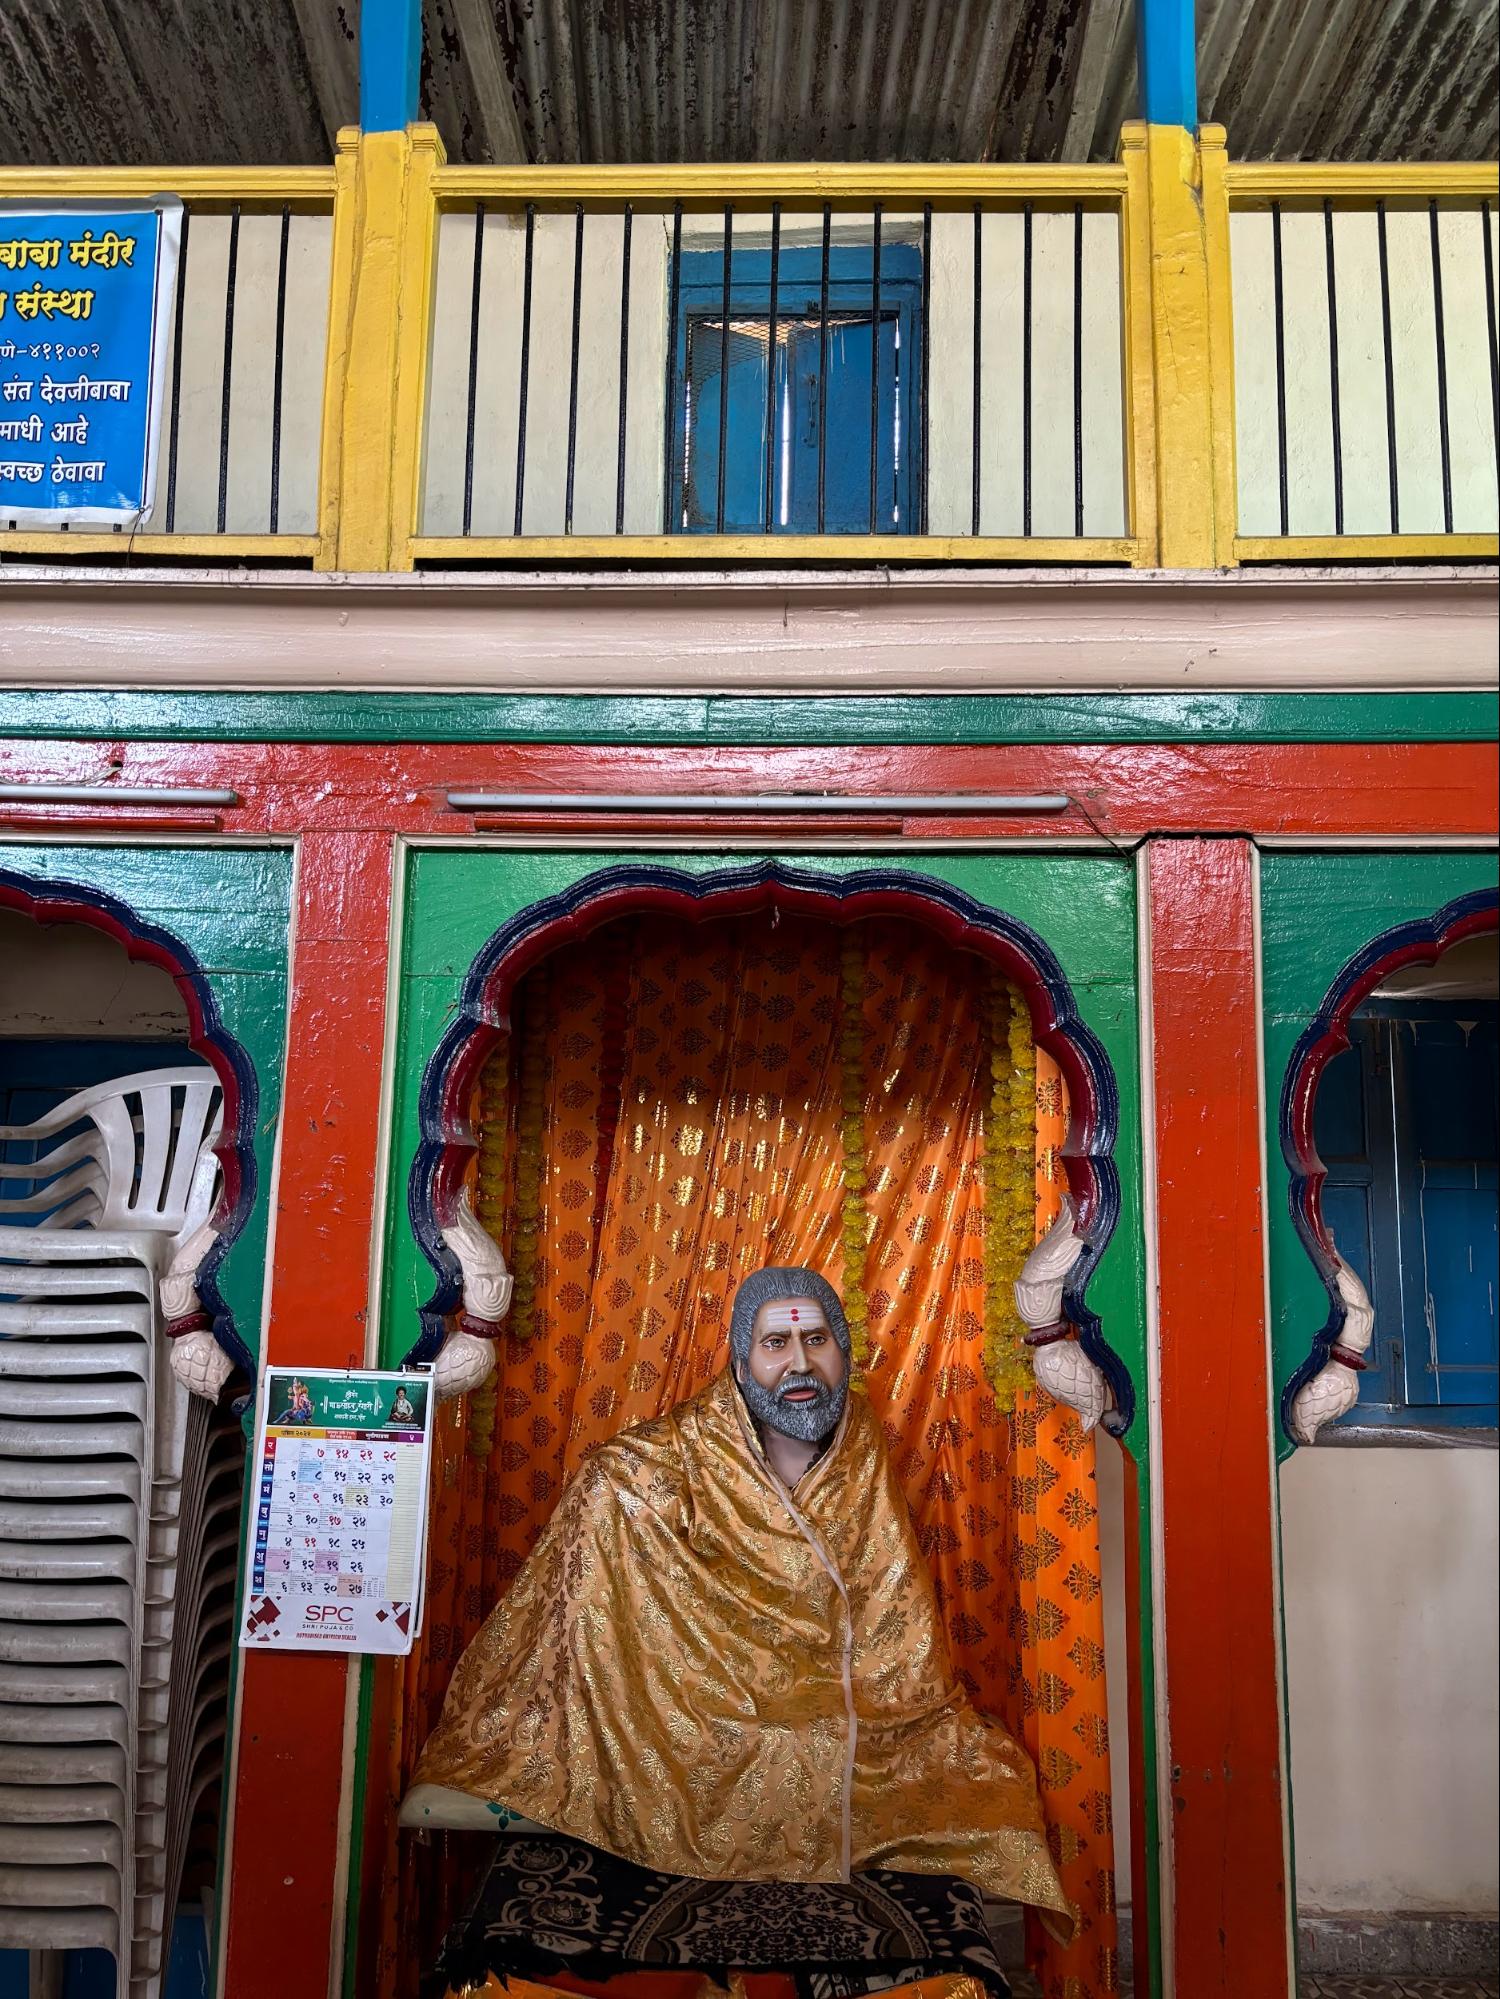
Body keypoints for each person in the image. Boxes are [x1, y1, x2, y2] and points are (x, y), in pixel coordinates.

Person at [411, 1265, 1071, 1947]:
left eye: (817, 1339)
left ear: (844, 1350)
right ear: (741, 1358)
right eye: (775, 1343)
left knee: (978, 1779)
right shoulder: (651, 1471)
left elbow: (889, 1599)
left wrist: (883, 1702)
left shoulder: (858, 1442)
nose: (800, 1362)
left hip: (852, 1710)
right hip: (690, 1716)